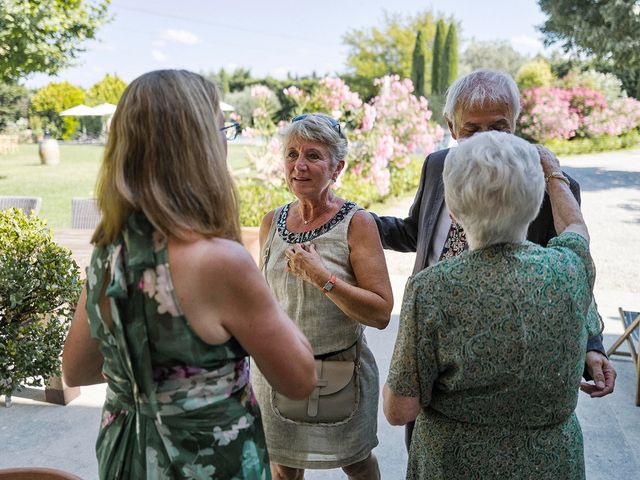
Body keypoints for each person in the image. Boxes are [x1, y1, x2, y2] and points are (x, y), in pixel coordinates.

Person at [62, 70, 317, 479]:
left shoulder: (109, 252)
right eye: (224, 130)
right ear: (200, 147)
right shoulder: (219, 262)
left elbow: (76, 369)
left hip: (126, 457)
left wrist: (147, 378)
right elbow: (299, 379)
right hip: (205, 461)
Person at [373, 68, 616, 447]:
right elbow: (412, 230)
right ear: (451, 127)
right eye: (472, 130)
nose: (486, 142)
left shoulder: (547, 182)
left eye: (499, 127)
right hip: (434, 343)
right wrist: (354, 220)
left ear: (516, 124)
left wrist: (592, 344)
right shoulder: (437, 165)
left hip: (510, 357)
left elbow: (574, 269)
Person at [384, 131, 602, 478]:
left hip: (453, 464)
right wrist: (553, 172)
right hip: (548, 463)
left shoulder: (431, 289)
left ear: (453, 211)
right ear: (534, 204)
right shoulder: (570, 268)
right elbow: (576, 225)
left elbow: (399, 410)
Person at [251, 113, 393, 480]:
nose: (299, 165)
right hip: (281, 370)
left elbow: (380, 312)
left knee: (357, 464)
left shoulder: (356, 222)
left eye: (313, 155)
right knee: (284, 468)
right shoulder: (271, 221)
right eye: (292, 153)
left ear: (337, 166)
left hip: (337, 368)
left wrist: (323, 278)